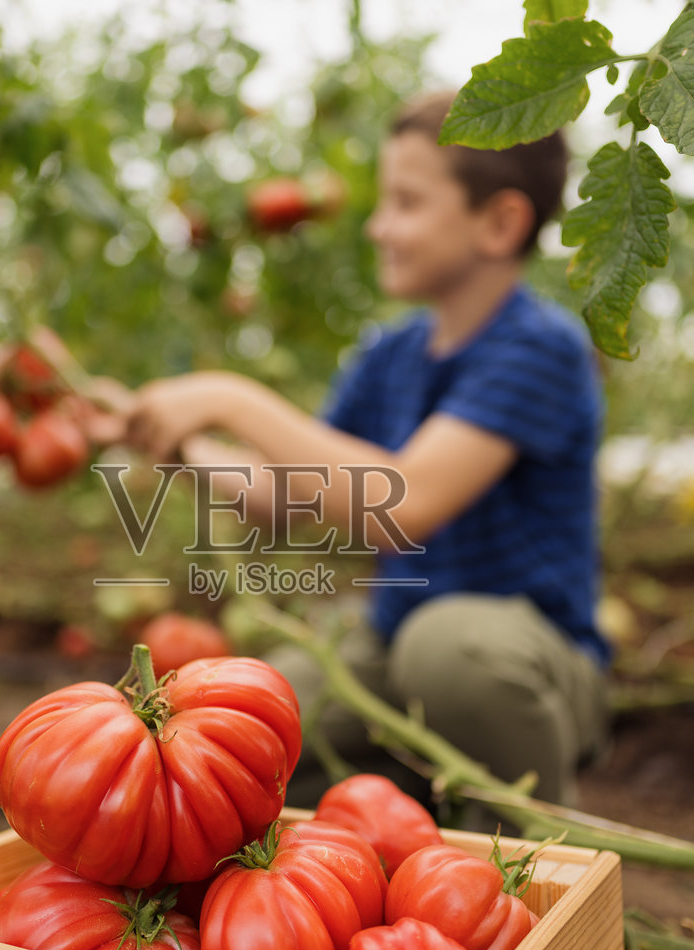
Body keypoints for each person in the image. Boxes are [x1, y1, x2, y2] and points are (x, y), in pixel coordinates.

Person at [123, 90, 609, 812]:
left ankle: (538, 844)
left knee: (449, 654)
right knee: (234, 734)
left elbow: (404, 504)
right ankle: (425, 792)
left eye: (405, 203)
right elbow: (281, 496)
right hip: (395, 645)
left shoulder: (540, 348)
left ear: (500, 222)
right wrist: (171, 441)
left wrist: (230, 399)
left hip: (525, 660)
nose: (378, 226)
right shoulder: (391, 355)